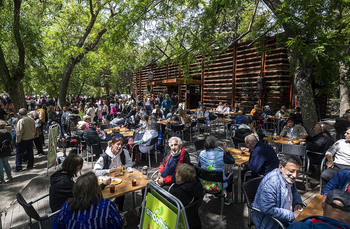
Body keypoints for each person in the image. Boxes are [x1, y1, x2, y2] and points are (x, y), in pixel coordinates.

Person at [52, 172, 123, 229]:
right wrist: (115, 211)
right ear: (96, 189)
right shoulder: (106, 205)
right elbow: (117, 224)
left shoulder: (68, 205)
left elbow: (57, 225)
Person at [252, 155, 303, 229]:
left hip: (285, 216)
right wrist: (292, 215)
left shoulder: (288, 177)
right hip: (270, 223)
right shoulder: (271, 183)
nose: (295, 175)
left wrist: (297, 203)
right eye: (291, 171)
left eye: (298, 172)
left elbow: (294, 191)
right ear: (281, 168)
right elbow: (268, 209)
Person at [93, 137, 132, 211]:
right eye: (118, 144)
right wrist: (109, 171)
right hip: (107, 181)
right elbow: (95, 171)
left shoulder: (124, 152)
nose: (120, 147)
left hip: (121, 179)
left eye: (121, 145)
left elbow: (130, 163)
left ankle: (119, 211)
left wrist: (124, 167)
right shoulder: (104, 157)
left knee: (122, 189)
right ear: (112, 144)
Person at [197, 136, 235, 205]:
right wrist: (226, 150)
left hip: (205, 182)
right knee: (230, 175)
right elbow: (232, 161)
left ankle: (216, 194)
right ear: (215, 144)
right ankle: (228, 198)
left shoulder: (201, 153)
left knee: (212, 174)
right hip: (219, 184)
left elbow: (198, 167)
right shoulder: (222, 154)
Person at [170, 164, 204, 229]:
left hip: (181, 223)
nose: (175, 175)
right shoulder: (197, 185)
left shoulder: (178, 193)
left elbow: (168, 206)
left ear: (180, 178)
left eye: (176, 173)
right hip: (194, 220)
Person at [0, 120, 12, 184]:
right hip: (6, 150)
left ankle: (1, 179)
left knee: (0, 166)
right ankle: (9, 175)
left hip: (0, 152)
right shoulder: (7, 133)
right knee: (6, 163)